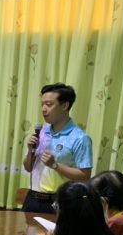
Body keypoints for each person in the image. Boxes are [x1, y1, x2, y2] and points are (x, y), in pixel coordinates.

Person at [23, 83, 92, 213]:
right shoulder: (41, 132)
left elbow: (85, 176)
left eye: (49, 104)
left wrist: (54, 165)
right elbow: (28, 168)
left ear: (65, 106)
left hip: (59, 201)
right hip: (32, 198)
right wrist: (30, 151)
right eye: (42, 104)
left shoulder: (80, 138)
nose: (43, 109)